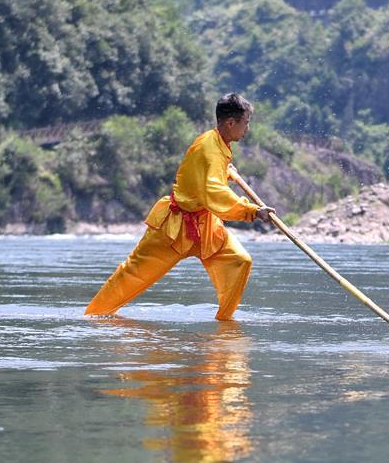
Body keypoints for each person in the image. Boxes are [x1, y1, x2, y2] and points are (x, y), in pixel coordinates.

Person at [85, 93, 275, 320]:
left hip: (205, 226)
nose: (248, 128)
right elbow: (214, 192)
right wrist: (252, 211)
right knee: (133, 273)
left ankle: (225, 322)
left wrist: (226, 171)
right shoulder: (209, 148)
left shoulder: (217, 143)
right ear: (230, 123)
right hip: (174, 227)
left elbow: (203, 177)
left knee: (239, 261)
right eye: (246, 122)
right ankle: (94, 315)